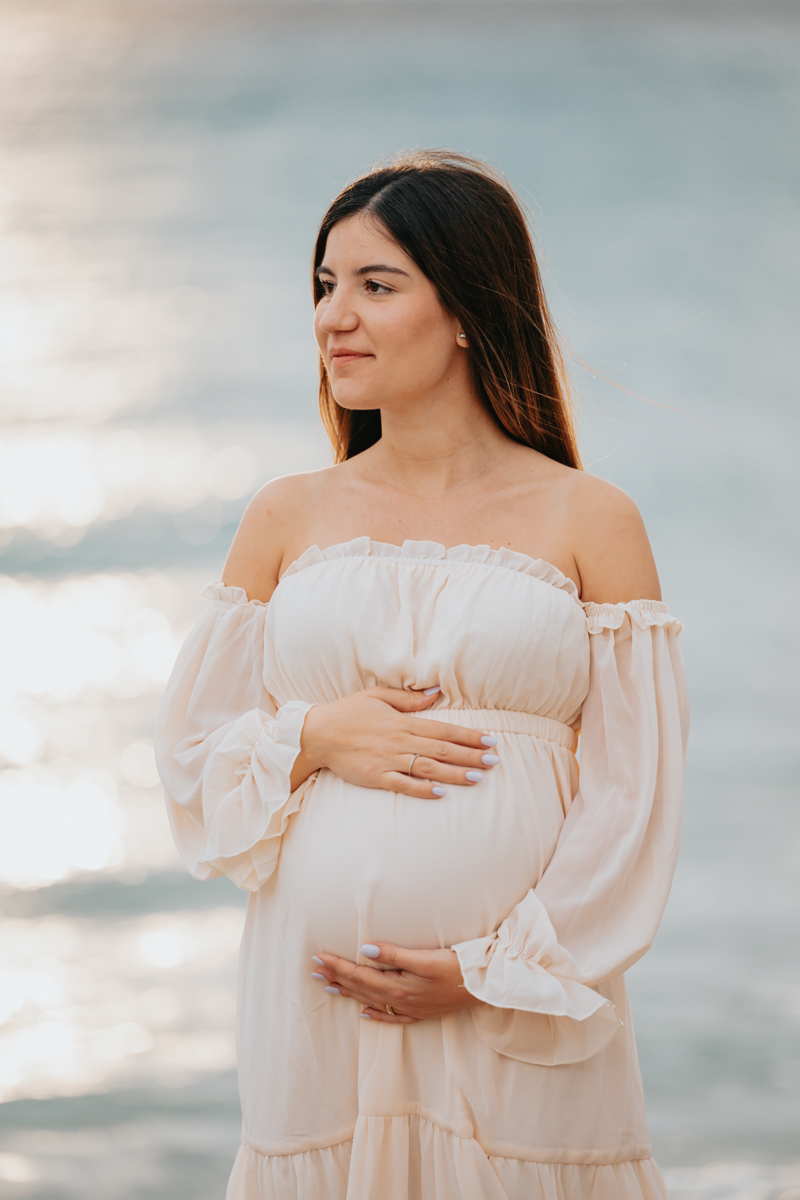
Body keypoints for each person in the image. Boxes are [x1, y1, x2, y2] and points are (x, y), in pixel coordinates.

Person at [155, 150, 689, 1200]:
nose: (334, 317)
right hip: (321, 1020)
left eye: (376, 284)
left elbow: (632, 799)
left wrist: (498, 972)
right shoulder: (286, 514)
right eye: (324, 285)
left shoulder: (590, 519)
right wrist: (314, 737)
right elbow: (192, 767)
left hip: (520, 1016)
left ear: (467, 312)